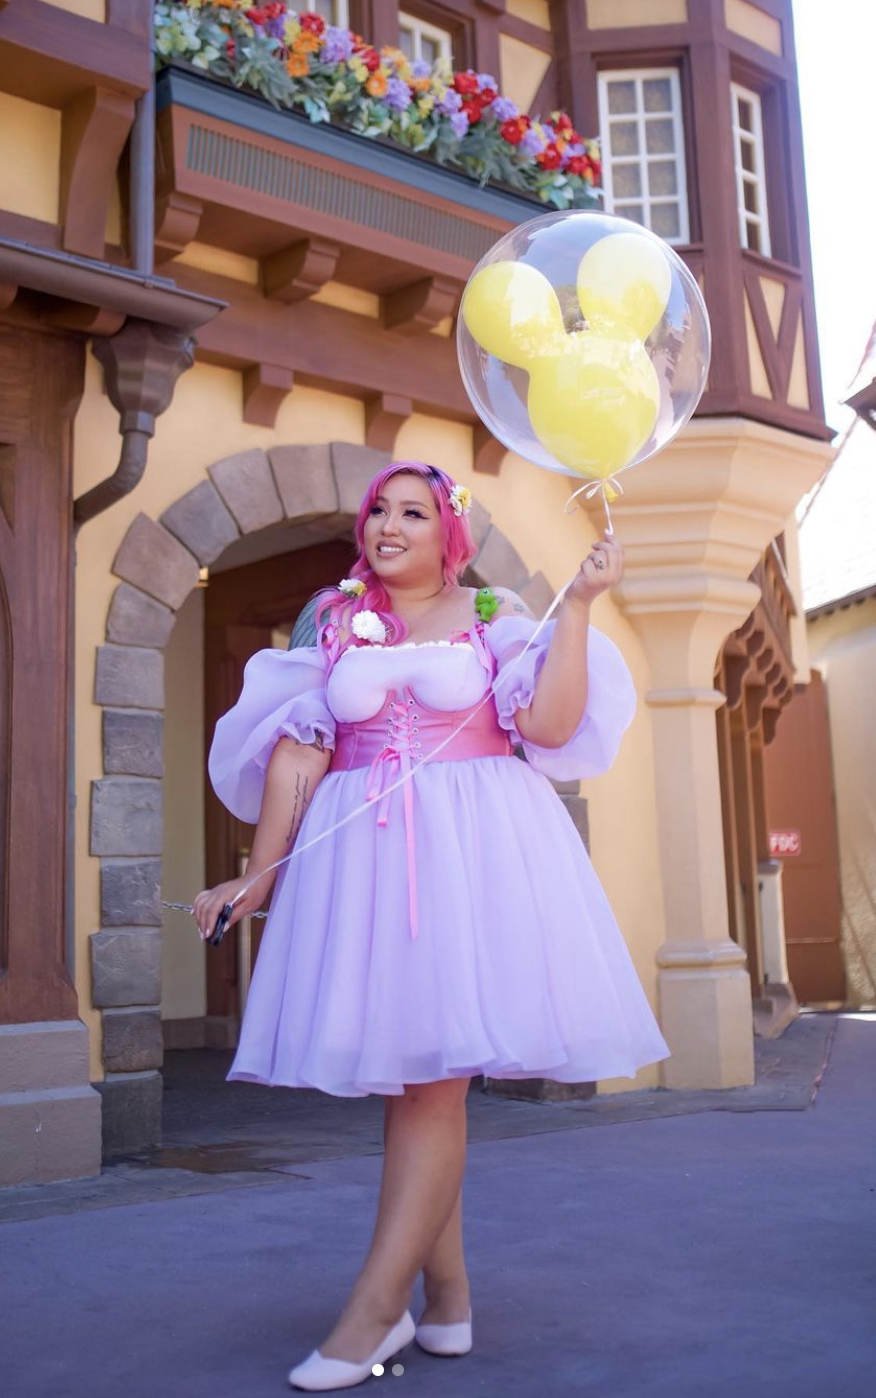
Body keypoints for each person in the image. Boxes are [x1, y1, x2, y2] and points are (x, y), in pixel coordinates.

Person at [195, 460, 671, 1392]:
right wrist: (256, 878)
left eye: (413, 511)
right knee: (416, 1083)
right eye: (378, 509)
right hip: (363, 858)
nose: (388, 524)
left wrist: (575, 606)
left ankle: (375, 1313)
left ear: (449, 535)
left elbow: (550, 720)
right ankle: (447, 1297)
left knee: (433, 1092)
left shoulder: (496, 621)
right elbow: (303, 748)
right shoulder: (331, 624)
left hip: (477, 856)